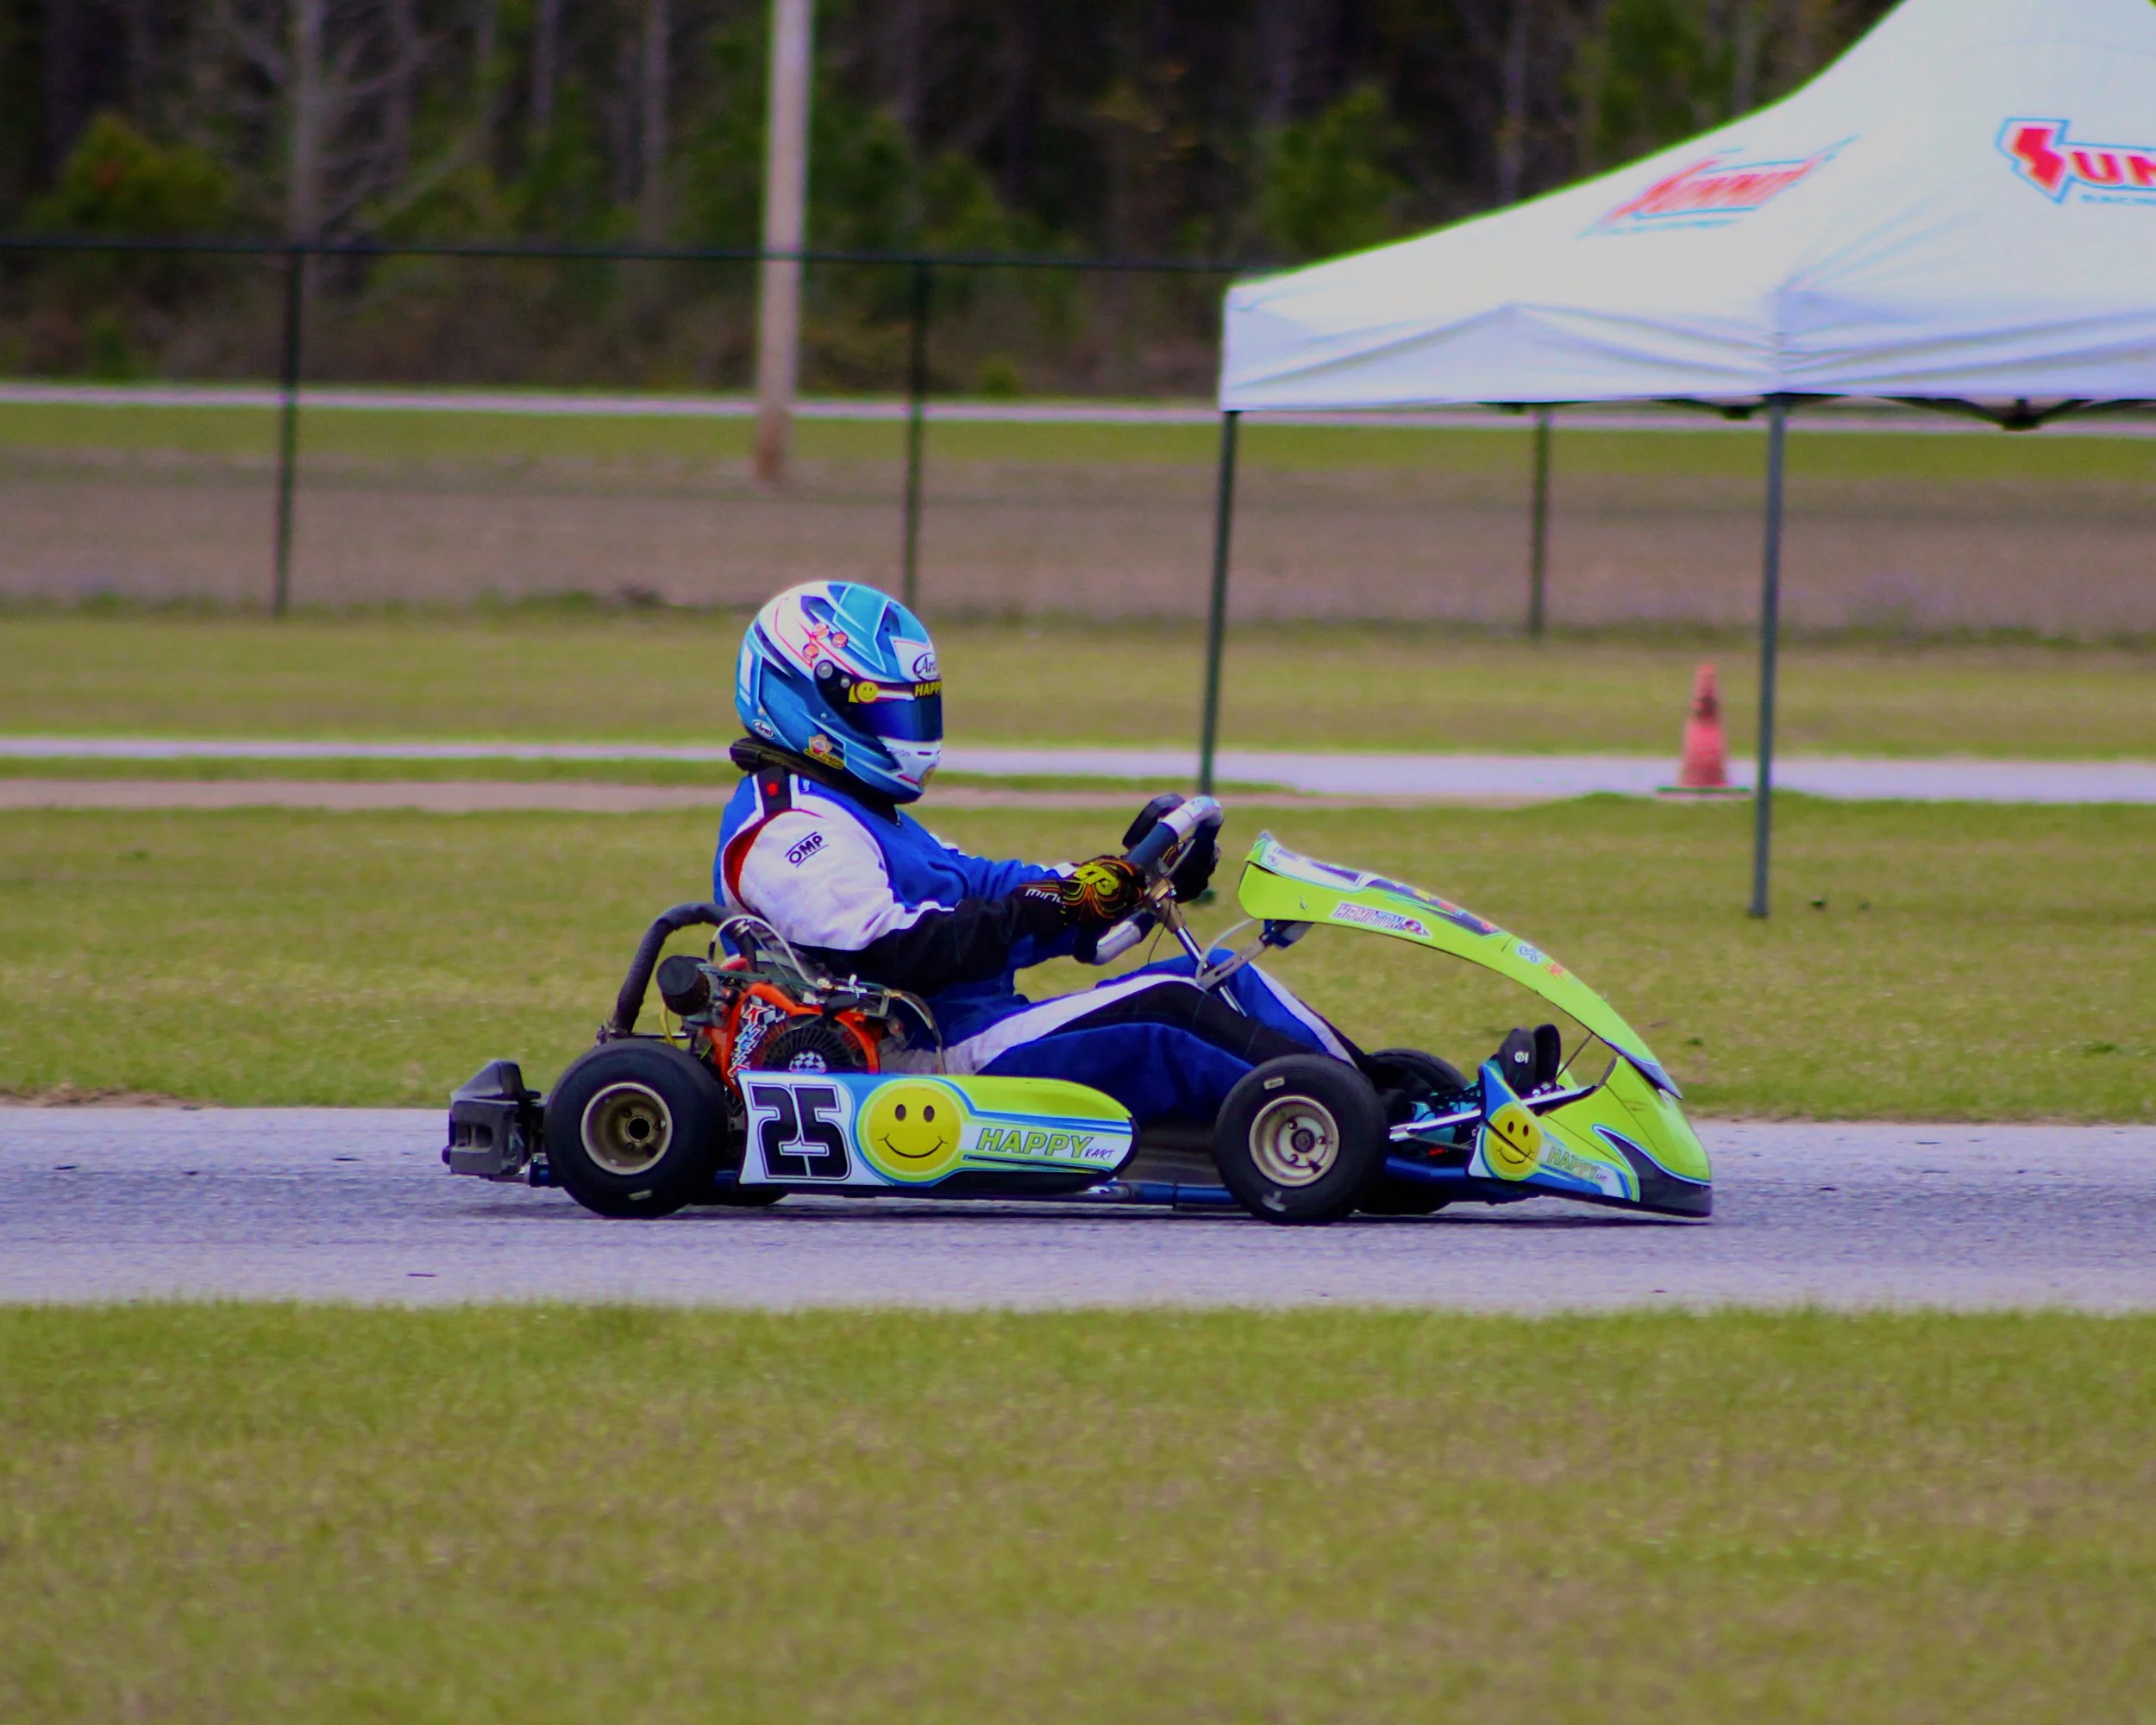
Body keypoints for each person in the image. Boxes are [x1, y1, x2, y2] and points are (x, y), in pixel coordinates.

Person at [715, 580, 1506, 1125]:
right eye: (880, 710)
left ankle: (1398, 1099)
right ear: (800, 697)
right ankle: (1340, 1121)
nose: (903, 730)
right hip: (927, 1063)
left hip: (985, 1030)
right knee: (1166, 1010)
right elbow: (890, 948)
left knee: (1220, 979)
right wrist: (1042, 905)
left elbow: (984, 886)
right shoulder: (784, 823)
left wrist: (1114, 884)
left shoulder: (865, 809)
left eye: (910, 710)